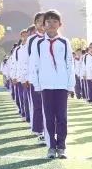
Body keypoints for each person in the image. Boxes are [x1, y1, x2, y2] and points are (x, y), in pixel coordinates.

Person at [28, 10, 74, 159]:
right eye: (48, 21)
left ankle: (61, 146)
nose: (51, 24)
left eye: (55, 21)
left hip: (61, 85)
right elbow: (33, 64)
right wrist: (36, 84)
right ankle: (51, 147)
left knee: (62, 117)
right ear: (43, 25)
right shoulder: (38, 43)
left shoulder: (64, 42)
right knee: (48, 117)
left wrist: (70, 85)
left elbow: (69, 64)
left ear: (60, 24)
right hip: (46, 85)